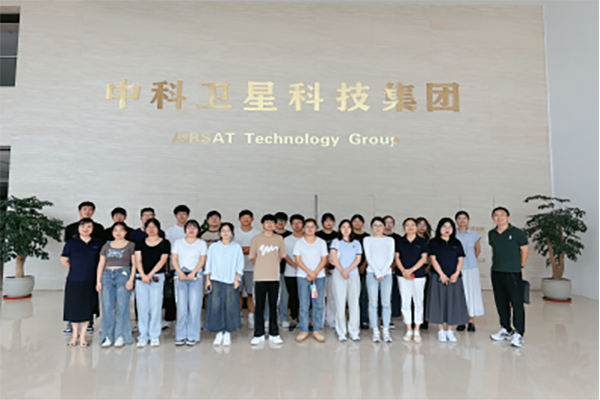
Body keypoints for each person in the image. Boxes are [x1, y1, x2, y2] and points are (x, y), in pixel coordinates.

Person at [488, 207, 529, 348]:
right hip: (496, 271)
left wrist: (521, 266)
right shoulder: (491, 234)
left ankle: (519, 333)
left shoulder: (517, 233)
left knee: (516, 303)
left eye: (502, 215)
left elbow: (525, 250)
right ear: (493, 218)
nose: (499, 218)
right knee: (501, 302)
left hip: (513, 272)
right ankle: (506, 329)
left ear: (508, 217)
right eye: (496, 215)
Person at [63, 203, 104, 336]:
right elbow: (67, 252)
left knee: (89, 298)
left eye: (90, 209)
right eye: (84, 209)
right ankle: (71, 324)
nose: (87, 211)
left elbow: (101, 251)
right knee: (74, 298)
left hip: (92, 269)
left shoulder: (99, 228)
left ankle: (89, 323)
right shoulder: (70, 228)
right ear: (79, 211)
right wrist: (73, 268)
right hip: (76, 269)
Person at [425, 218, 469, 343]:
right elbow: (433, 259)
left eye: (450, 227)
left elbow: (460, 259)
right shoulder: (434, 242)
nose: (447, 229)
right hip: (438, 276)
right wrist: (441, 274)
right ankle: (440, 330)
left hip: (454, 277)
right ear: (439, 228)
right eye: (444, 227)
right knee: (438, 302)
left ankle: (450, 330)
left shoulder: (456, 242)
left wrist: (456, 273)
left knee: (453, 303)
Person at [204, 223, 245, 346]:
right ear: (219, 233)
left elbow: (240, 264)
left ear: (232, 233)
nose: (225, 233)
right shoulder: (213, 247)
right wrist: (207, 279)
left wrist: (237, 279)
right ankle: (218, 332)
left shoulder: (236, 247)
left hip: (231, 280)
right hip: (215, 279)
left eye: (228, 231)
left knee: (230, 306)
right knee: (215, 306)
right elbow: (209, 263)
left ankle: (227, 332)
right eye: (223, 230)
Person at [96, 222, 136, 348]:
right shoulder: (106, 246)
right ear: (112, 232)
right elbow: (101, 264)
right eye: (115, 230)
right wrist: (98, 281)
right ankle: (108, 336)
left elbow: (134, 264)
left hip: (123, 275)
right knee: (107, 307)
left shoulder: (131, 245)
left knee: (122, 306)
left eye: (121, 230)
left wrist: (131, 279)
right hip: (107, 276)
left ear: (126, 232)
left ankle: (121, 335)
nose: (118, 233)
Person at [249, 214, 286, 345]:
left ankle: (274, 333)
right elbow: (253, 257)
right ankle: (258, 334)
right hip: (259, 277)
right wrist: (262, 267)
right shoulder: (256, 239)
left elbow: (280, 257)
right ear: (262, 224)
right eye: (267, 222)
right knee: (259, 306)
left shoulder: (279, 239)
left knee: (273, 305)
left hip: (274, 277)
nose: (269, 224)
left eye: (272, 222)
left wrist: (272, 267)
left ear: (275, 224)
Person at [134, 218, 171, 347]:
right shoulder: (139, 243)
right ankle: (143, 336)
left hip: (157, 277)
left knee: (155, 306)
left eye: (154, 227)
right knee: (142, 307)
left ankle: (154, 335)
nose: (151, 229)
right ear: (144, 229)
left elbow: (163, 260)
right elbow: (138, 260)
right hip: (141, 277)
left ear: (158, 228)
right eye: (148, 227)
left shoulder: (165, 243)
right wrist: (143, 274)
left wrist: (150, 275)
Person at [171, 219, 207, 346]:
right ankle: (180, 335)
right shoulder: (178, 242)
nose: (191, 230)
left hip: (195, 276)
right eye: (189, 228)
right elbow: (174, 259)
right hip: (180, 276)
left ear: (198, 230)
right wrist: (180, 272)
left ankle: (193, 336)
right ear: (185, 230)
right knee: (181, 307)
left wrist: (194, 273)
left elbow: (202, 260)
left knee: (194, 307)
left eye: (194, 228)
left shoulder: (201, 243)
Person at [293, 218, 329, 343]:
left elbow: (324, 260)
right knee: (304, 303)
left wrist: (315, 273)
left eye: (312, 226)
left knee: (318, 303)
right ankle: (303, 330)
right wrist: (309, 272)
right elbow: (298, 260)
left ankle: (317, 330)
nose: (309, 229)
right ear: (304, 228)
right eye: (307, 226)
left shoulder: (321, 242)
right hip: (303, 277)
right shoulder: (299, 243)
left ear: (316, 228)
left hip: (319, 277)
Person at [394, 218, 429, 343]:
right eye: (407, 225)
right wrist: (404, 271)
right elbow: (397, 258)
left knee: (418, 302)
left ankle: (417, 329)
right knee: (405, 302)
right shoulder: (400, 241)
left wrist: (411, 270)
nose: (410, 227)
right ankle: (409, 329)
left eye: (413, 225)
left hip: (418, 275)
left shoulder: (422, 241)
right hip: (402, 275)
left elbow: (423, 258)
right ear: (404, 228)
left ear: (416, 227)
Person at [363, 217, 395, 343]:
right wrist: (377, 272)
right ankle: (375, 330)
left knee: (386, 303)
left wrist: (383, 272)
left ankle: (386, 329)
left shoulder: (390, 240)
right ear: (371, 227)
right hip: (372, 273)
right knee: (373, 303)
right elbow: (368, 257)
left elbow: (390, 257)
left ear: (384, 227)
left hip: (387, 274)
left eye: (380, 225)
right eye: (375, 225)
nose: (378, 228)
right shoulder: (367, 239)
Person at [329, 219, 362, 342]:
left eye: (348, 227)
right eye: (343, 227)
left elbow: (358, 259)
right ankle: (341, 332)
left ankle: (354, 332)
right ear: (340, 229)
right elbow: (334, 258)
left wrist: (347, 270)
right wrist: (342, 270)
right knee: (340, 303)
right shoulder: (336, 242)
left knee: (354, 303)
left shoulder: (356, 243)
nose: (346, 229)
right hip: (339, 275)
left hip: (353, 275)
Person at [455, 211, 484, 332]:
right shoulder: (453, 234)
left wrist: (471, 260)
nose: (462, 220)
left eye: (464, 218)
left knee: (472, 294)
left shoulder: (474, 234)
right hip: (457, 268)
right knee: (460, 294)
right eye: (459, 218)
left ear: (468, 220)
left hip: (471, 268)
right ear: (456, 220)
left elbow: (477, 250)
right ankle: (461, 320)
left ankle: (471, 320)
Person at [164, 204, 191, 330]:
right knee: (171, 294)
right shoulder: (170, 231)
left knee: (188, 294)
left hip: (189, 266)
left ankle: (188, 319)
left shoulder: (192, 230)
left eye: (184, 214)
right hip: (173, 265)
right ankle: (169, 319)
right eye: (179, 214)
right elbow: (167, 250)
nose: (181, 216)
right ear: (175, 216)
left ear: (188, 216)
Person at [233, 209, 261, 329]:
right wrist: (248, 249)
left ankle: (251, 316)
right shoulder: (234, 233)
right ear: (239, 219)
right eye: (243, 218)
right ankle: (238, 316)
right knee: (237, 293)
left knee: (251, 293)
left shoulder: (257, 233)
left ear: (252, 219)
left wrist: (244, 249)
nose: (245, 220)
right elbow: (232, 249)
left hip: (252, 267)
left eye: (248, 217)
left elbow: (259, 249)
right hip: (236, 268)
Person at [282, 214, 304, 331]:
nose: (296, 225)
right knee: (293, 296)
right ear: (291, 225)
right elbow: (285, 255)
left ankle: (305, 318)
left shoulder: (308, 238)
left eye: (299, 223)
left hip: (306, 273)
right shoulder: (286, 240)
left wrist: (303, 268)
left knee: (305, 296)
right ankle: (294, 317)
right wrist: (296, 266)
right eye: (294, 223)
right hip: (290, 273)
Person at [316, 212, 338, 330]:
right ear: (322, 223)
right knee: (319, 295)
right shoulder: (317, 235)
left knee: (332, 295)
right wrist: (322, 265)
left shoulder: (338, 235)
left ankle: (331, 319)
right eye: (326, 220)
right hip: (319, 269)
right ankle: (320, 319)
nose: (328, 223)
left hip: (335, 269)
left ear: (334, 222)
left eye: (331, 220)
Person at [351, 214, 370, 330]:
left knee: (363, 295)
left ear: (363, 223)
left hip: (363, 269)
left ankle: (364, 319)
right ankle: (354, 319)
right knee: (352, 296)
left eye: (359, 221)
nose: (357, 223)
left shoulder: (367, 237)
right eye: (355, 221)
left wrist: (363, 265)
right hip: (350, 270)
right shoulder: (348, 236)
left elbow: (369, 253)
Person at [273, 211, 292, 328]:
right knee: (270, 295)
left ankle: (283, 317)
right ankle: (269, 317)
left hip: (286, 269)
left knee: (285, 295)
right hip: (271, 269)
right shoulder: (269, 234)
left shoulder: (290, 235)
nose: (281, 222)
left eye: (283, 220)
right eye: (278, 220)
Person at [383, 215, 401, 328]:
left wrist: (393, 265)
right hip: (379, 270)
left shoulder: (398, 238)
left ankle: (389, 318)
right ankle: (381, 318)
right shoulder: (378, 237)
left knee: (391, 295)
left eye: (391, 222)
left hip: (393, 269)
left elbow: (398, 254)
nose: (388, 225)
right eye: (386, 222)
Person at [415, 216, 432, 330]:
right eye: (419, 224)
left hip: (426, 269)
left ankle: (424, 320)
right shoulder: (411, 238)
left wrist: (428, 266)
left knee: (425, 296)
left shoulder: (430, 241)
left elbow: (433, 256)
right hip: (413, 269)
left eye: (424, 225)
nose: (422, 227)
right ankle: (413, 319)